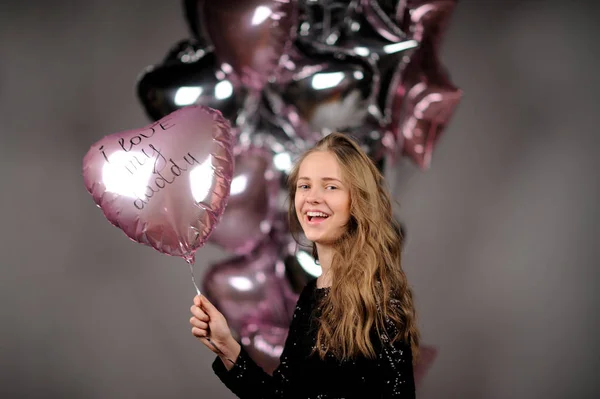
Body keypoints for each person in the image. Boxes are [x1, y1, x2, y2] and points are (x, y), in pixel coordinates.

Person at [190, 133, 420, 398]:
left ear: (357, 202)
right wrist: (225, 345)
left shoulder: (376, 298)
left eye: (330, 186)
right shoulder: (312, 295)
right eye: (304, 186)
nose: (312, 197)